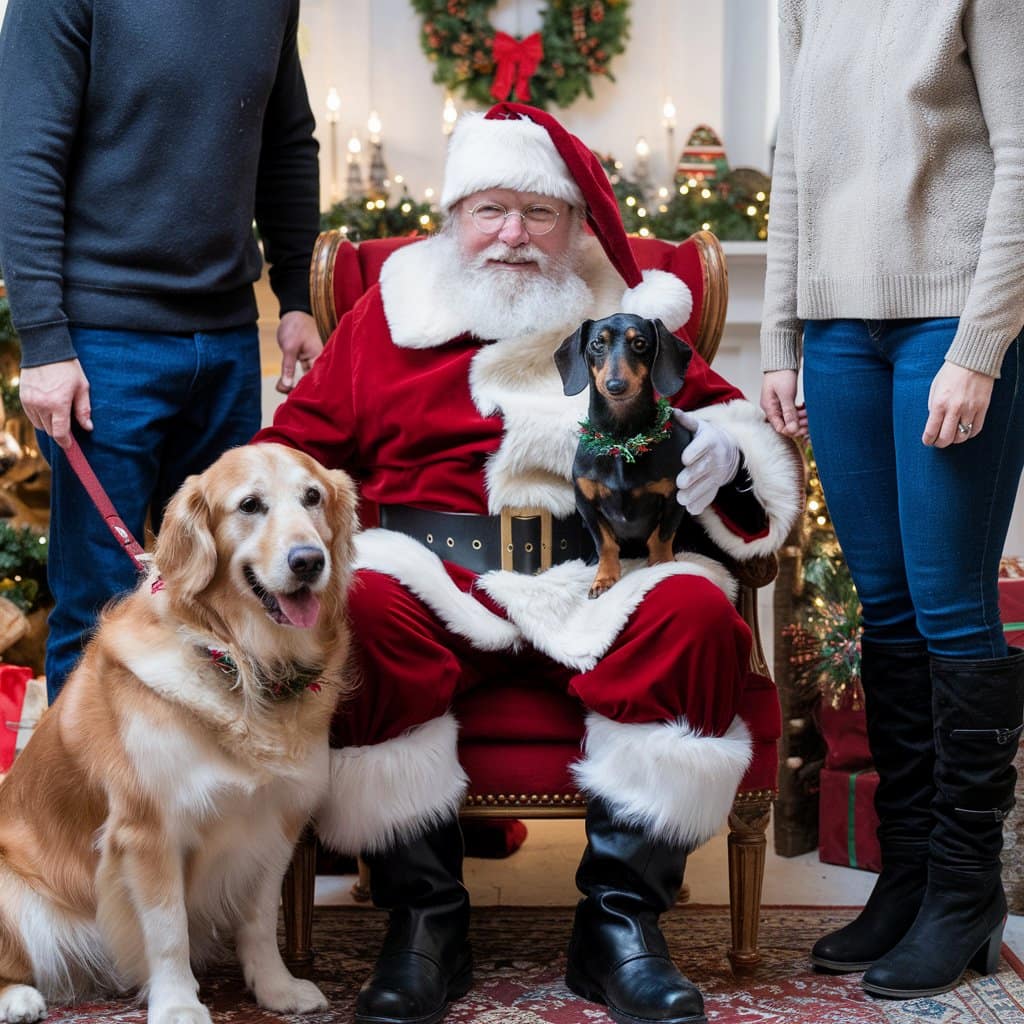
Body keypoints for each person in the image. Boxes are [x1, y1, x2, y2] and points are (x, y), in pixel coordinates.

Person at [256, 102, 801, 1024]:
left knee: (699, 613)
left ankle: (620, 927)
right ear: (455, 217)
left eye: (538, 213)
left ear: (577, 224)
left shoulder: (626, 319)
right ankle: (425, 922)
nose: (512, 235)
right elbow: (291, 454)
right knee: (368, 606)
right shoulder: (387, 318)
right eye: (489, 210)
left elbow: (736, 434)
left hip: (602, 577)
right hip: (435, 579)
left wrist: (727, 452)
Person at [759, 0, 1024, 1001]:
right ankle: (908, 873)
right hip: (836, 333)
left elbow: (1021, 160)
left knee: (951, 605)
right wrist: (781, 336)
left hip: (948, 320)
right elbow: (790, 169)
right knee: (886, 606)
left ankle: (963, 892)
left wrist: (979, 345)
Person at [0, 0, 323, 701]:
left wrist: (296, 294)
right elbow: (25, 159)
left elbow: (287, 139)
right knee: (99, 609)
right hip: (100, 344)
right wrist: (45, 341)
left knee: (230, 600)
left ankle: (202, 808)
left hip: (232, 340)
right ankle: (87, 811)